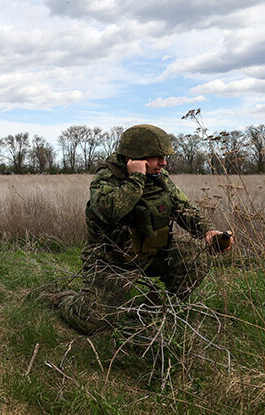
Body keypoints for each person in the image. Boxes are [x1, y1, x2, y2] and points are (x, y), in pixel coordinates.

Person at [47, 124, 232, 335]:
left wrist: (208, 231)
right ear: (135, 157)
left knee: (196, 258)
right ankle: (64, 300)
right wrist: (136, 178)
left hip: (154, 250)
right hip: (113, 261)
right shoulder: (106, 179)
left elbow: (184, 209)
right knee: (92, 324)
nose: (163, 162)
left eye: (164, 157)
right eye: (157, 157)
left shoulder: (161, 178)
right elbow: (110, 211)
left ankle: (150, 312)